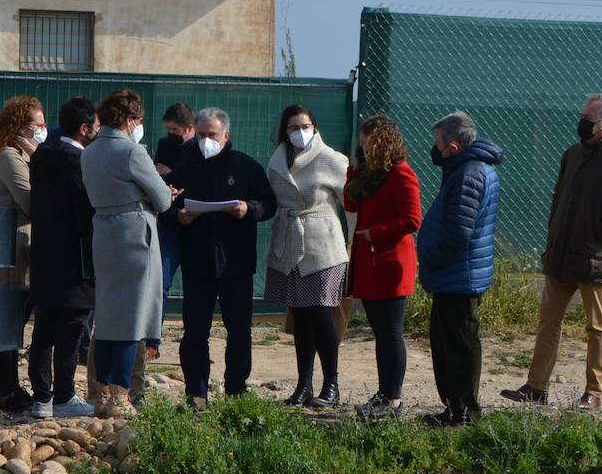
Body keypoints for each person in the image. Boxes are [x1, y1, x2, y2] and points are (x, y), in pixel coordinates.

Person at [502, 94, 602, 412]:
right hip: (561, 257)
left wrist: (597, 233)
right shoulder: (573, 154)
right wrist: (556, 235)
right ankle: (536, 387)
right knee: (548, 322)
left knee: (597, 327)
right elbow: (559, 198)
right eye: (582, 116)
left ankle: (594, 392)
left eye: (589, 118)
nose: (582, 123)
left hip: (596, 261)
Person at [167, 107, 276, 407]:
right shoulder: (185, 167)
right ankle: (196, 393)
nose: (205, 141)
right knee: (194, 333)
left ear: (226, 135)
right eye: (200, 135)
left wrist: (248, 210)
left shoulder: (246, 166)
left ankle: (236, 391)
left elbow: (268, 204)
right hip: (197, 263)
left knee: (239, 331)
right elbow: (166, 206)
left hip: (236, 263)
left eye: (211, 135)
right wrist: (180, 217)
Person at [79, 89, 173, 418]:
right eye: (138, 121)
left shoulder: (88, 152)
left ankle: (102, 393)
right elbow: (163, 199)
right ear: (131, 120)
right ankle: (121, 394)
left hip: (103, 230)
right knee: (133, 316)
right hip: (134, 232)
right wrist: (156, 194)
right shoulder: (133, 152)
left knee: (107, 315)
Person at [416, 110, 503, 427]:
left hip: (458, 276)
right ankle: (454, 409)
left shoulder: (468, 175)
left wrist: (430, 258)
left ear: (452, 147)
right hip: (454, 276)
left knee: (458, 348)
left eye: (438, 143)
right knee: (448, 344)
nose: (435, 149)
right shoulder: (468, 169)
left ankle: (463, 413)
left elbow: (458, 234)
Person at [263, 104, 350, 408]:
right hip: (288, 243)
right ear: (284, 131)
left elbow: (349, 204)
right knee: (299, 316)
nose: (299, 132)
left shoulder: (333, 160)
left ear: (314, 126)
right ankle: (304, 385)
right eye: (292, 127)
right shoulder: (276, 161)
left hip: (323, 246)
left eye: (305, 126)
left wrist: (356, 245)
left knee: (320, 313)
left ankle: (332, 384)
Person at [343, 114, 421, 420]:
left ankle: (394, 399)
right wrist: (355, 169)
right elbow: (351, 203)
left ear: (382, 142)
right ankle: (383, 392)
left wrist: (375, 233)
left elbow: (412, 219)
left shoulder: (401, 173)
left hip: (389, 264)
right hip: (370, 263)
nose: (362, 148)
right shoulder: (370, 174)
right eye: (361, 144)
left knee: (391, 333)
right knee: (380, 332)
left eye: (366, 143)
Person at [27, 96, 99, 418]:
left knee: (43, 330)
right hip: (74, 264)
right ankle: (65, 396)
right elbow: (85, 217)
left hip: (43, 257)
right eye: (96, 127)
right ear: (84, 129)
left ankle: (42, 398)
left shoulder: (42, 157)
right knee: (70, 331)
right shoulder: (80, 164)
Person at [0, 95, 46, 414]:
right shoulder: (9, 157)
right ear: (20, 127)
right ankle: (8, 392)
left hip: (24, 248)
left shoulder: (21, 156)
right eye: (37, 125)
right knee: (6, 321)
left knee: (17, 320)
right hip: (13, 248)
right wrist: (42, 159)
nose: (42, 130)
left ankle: (19, 389)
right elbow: (33, 201)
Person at [152, 102, 194, 328]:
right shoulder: (164, 145)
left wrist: (183, 189)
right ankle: (153, 341)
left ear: (189, 128)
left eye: (175, 131)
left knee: (195, 286)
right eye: (168, 130)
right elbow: (159, 173)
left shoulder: (200, 148)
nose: (170, 135)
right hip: (169, 219)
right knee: (161, 283)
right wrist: (167, 187)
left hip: (194, 221)